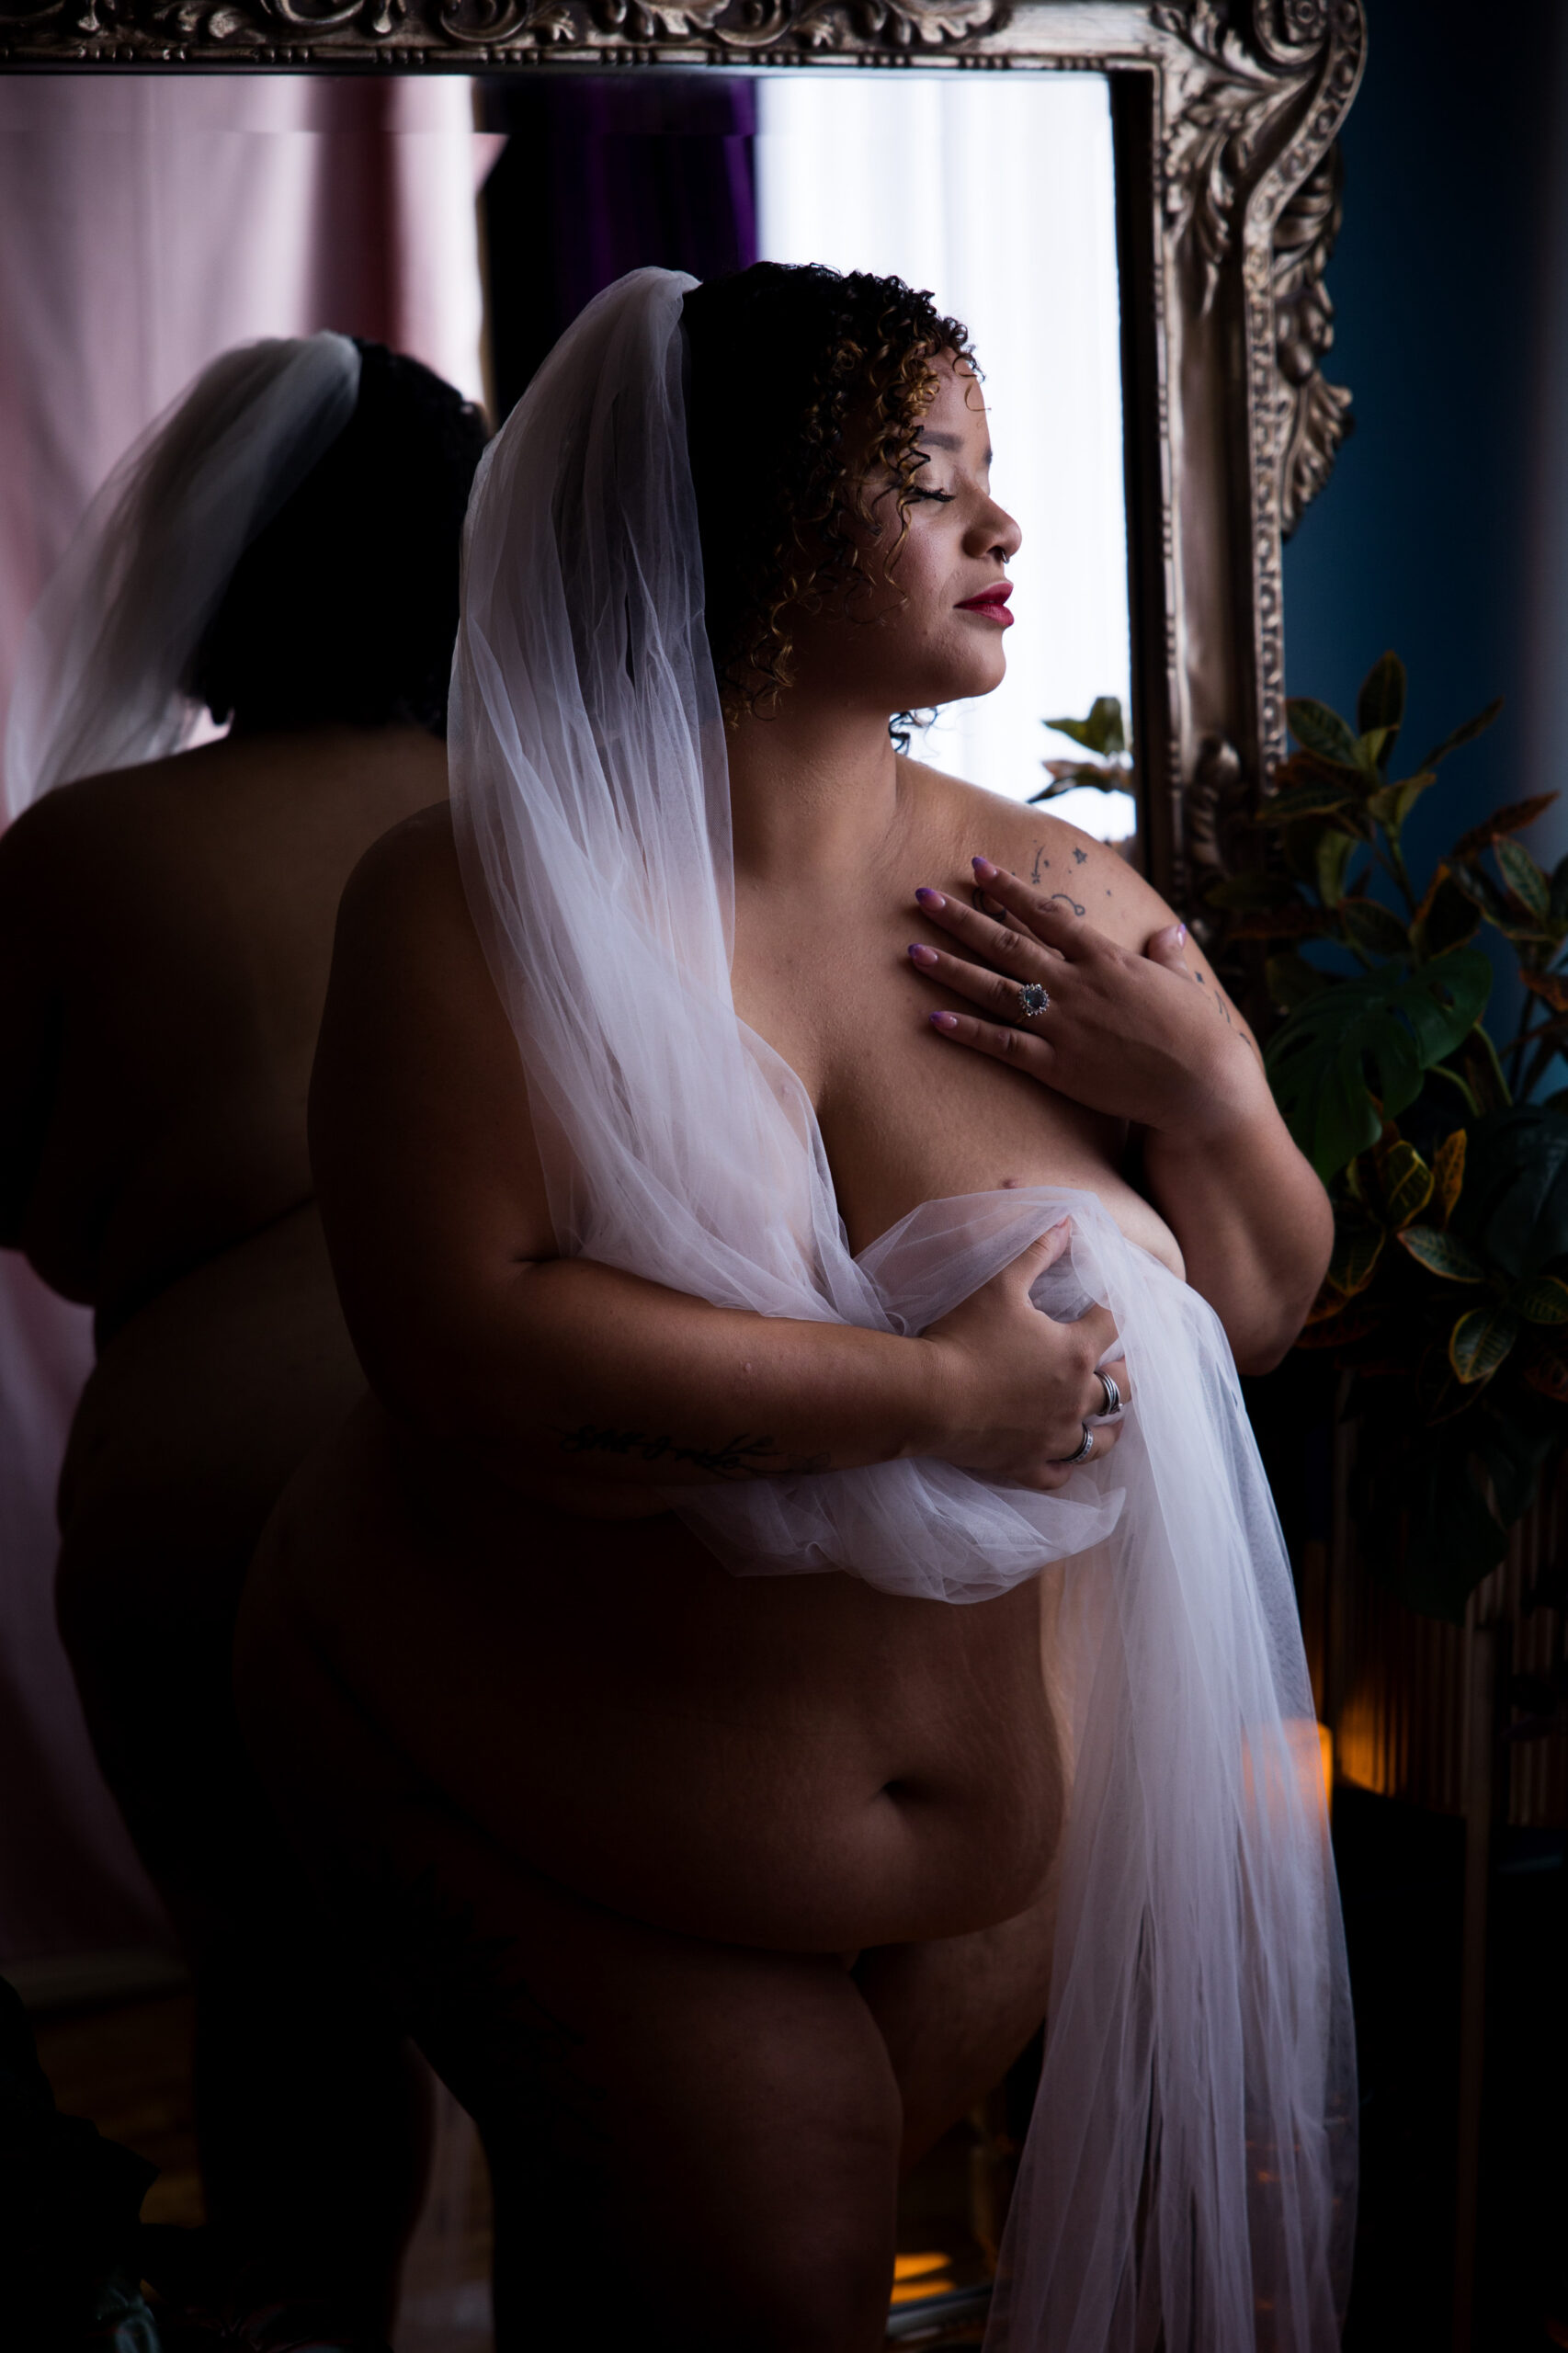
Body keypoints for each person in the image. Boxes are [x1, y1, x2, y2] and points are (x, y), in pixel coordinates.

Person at [237, 265, 1355, 2353]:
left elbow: (1261, 1311)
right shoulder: (469, 898)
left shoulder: (1058, 904)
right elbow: (465, 1348)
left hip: (988, 1848)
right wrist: (933, 1392)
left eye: (992, 481)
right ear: (743, 527)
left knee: (653, 2288)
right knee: (766, 2269)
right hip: (543, 1779)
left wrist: (1207, 1083)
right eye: (930, 482)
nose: (1000, 531)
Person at [0, 334, 487, 2341]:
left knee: (279, 1994)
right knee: (586, 1989)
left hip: (195, 1503)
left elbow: (31, 1213)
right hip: (517, 1468)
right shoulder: (553, 820)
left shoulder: (82, 857)